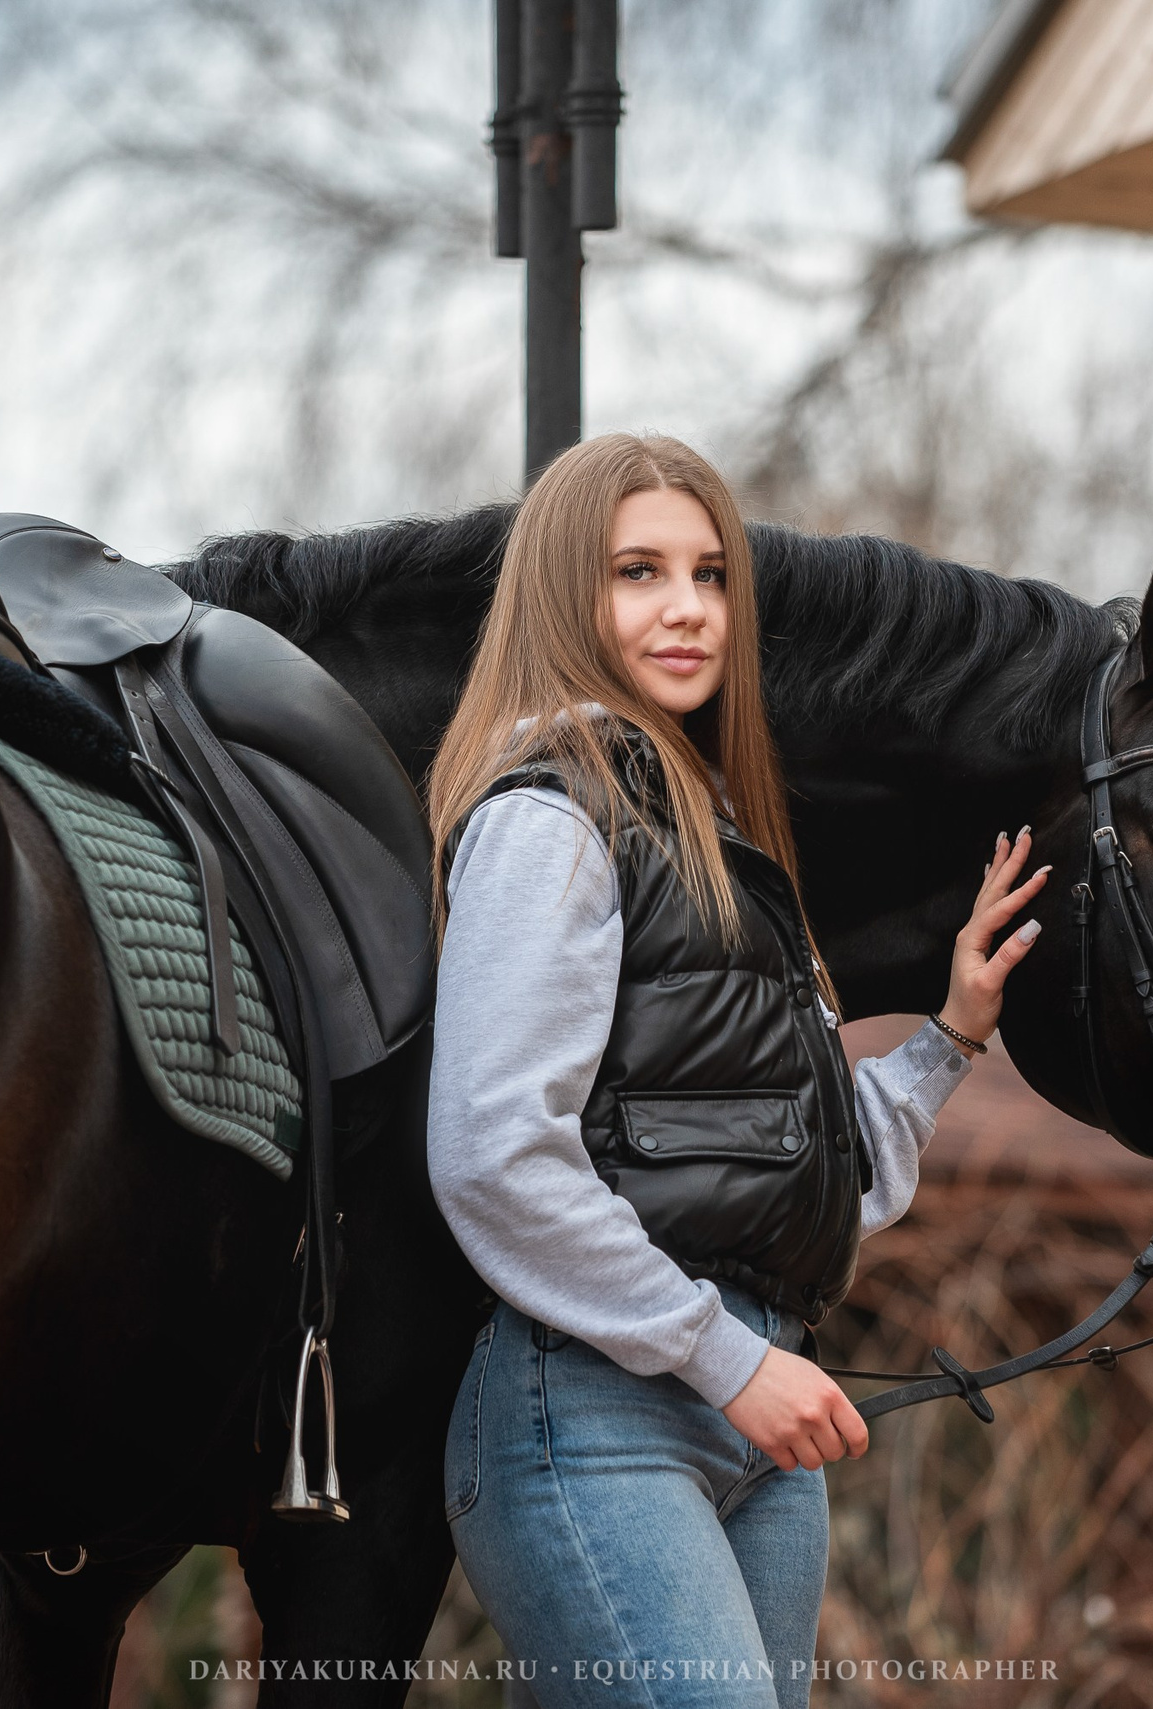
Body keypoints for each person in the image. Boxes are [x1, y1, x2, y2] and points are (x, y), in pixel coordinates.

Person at [424, 432, 1049, 1708]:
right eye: (638, 570)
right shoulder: (551, 816)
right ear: (562, 591)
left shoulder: (720, 838)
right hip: (596, 1412)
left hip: (764, 1420)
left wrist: (952, 1032)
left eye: (710, 576)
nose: (687, 609)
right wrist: (727, 1361)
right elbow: (493, 1152)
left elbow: (812, 1178)